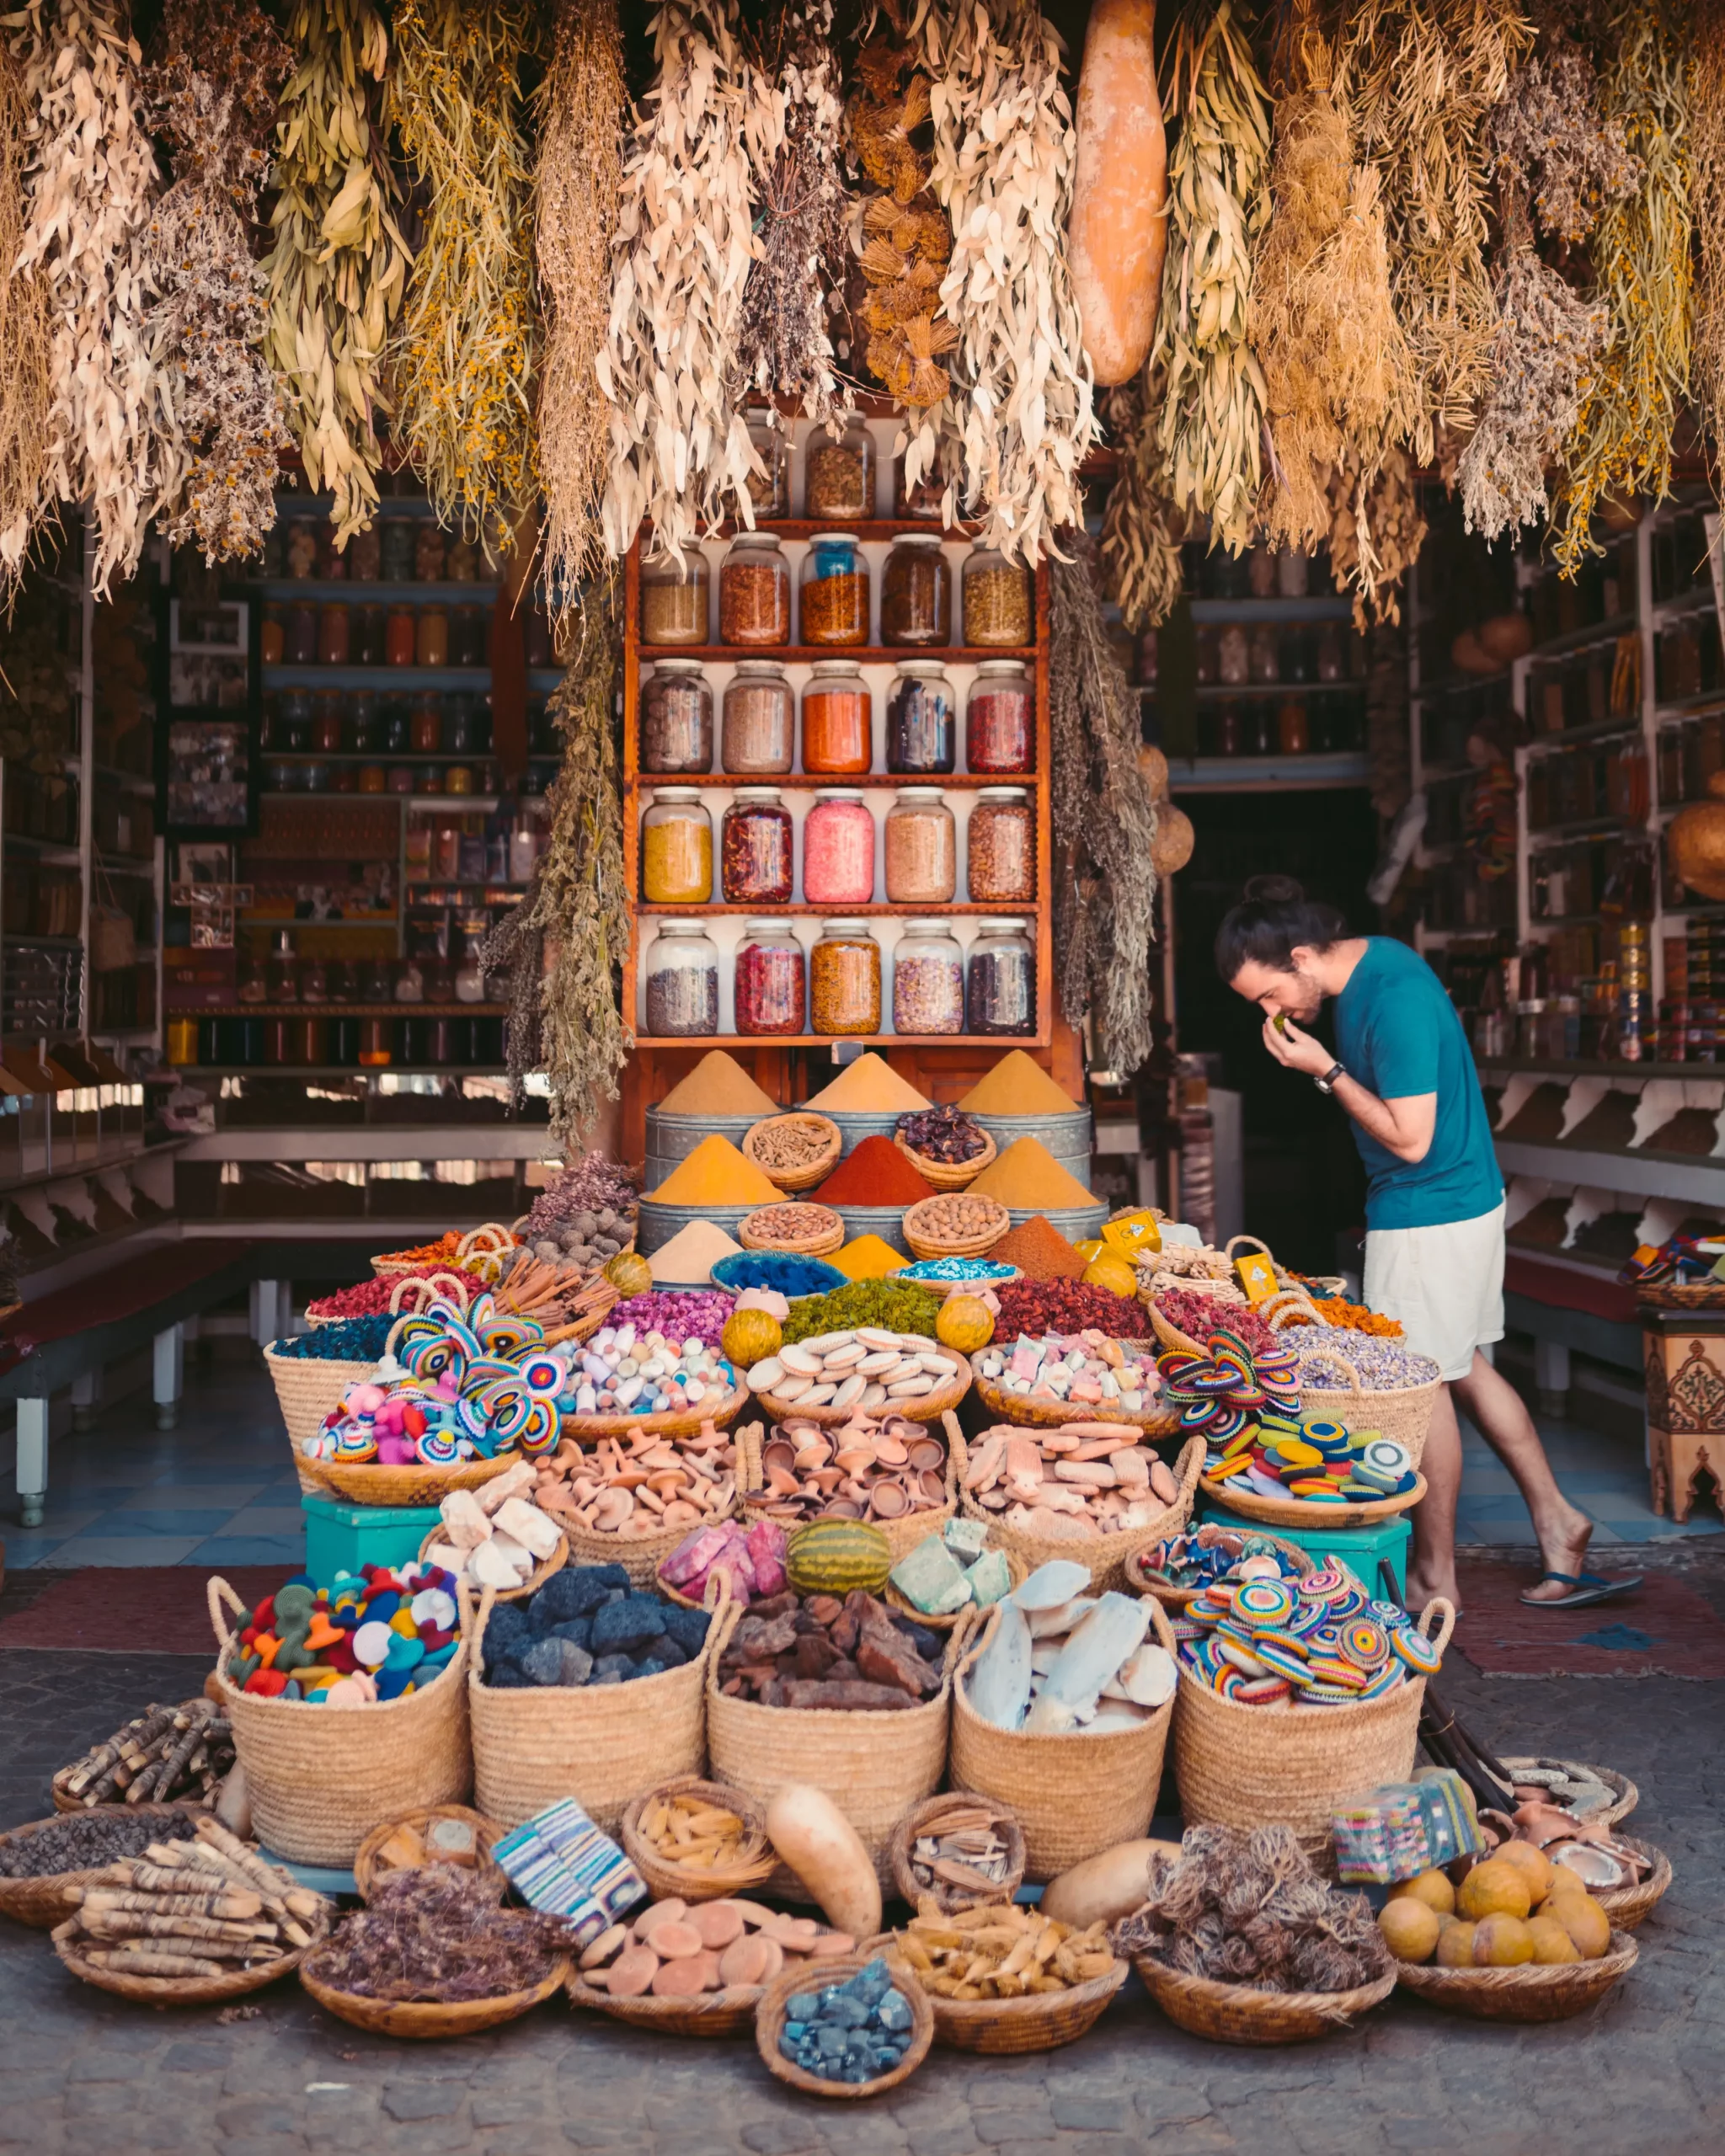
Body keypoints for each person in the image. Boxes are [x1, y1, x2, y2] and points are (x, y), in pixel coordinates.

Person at [1214, 874, 1639, 1612]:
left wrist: (1325, 1071)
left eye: (1269, 995)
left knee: (1419, 1385)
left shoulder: (1392, 1001)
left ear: (1305, 956)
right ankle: (1560, 1520)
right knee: (1463, 1367)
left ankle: (1435, 1575)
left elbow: (1410, 1140)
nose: (1271, 1013)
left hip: (1429, 1211)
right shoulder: (1375, 964)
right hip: (1461, 1201)